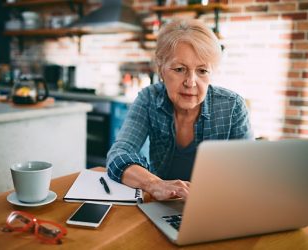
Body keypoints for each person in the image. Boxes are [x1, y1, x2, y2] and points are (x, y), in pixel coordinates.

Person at [106, 18, 253, 201]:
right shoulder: (149, 99)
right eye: (179, 69)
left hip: (215, 206)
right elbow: (118, 155)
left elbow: (247, 174)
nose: (190, 82)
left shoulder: (232, 106)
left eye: (202, 71)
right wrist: (155, 184)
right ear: (161, 69)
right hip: (163, 206)